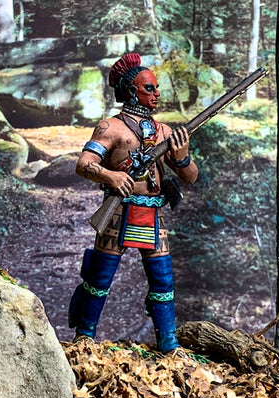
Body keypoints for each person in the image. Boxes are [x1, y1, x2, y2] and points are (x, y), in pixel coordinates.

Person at [68, 53, 198, 354]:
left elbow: (190, 177)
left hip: (153, 215)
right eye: (149, 88)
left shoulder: (165, 132)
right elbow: (84, 164)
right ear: (131, 91)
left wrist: (182, 157)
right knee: (99, 278)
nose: (157, 93)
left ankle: (169, 345)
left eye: (156, 87)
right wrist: (110, 176)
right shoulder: (110, 128)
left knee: (163, 281)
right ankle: (84, 338)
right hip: (118, 212)